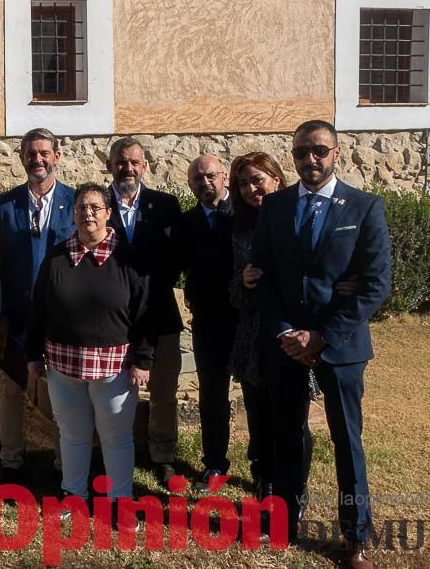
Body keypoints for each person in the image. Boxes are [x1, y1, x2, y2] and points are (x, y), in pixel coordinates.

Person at [253, 120, 392, 569]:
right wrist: (286, 333)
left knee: (346, 439)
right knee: (287, 434)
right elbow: (264, 277)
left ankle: (356, 535)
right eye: (301, 152)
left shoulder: (365, 207)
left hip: (342, 344)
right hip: (286, 343)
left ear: (338, 152)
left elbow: (375, 286)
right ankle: (285, 519)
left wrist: (322, 335)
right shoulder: (274, 207)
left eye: (318, 150)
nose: (309, 160)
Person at [25, 183, 150, 521]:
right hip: (63, 364)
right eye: (81, 207)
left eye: (95, 207)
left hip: (115, 366)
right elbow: (39, 308)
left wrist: (143, 359)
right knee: (73, 434)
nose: (88, 213)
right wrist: (34, 354)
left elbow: (145, 312)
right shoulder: (56, 256)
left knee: (116, 436)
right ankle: (73, 495)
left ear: (109, 213)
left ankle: (121, 502)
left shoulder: (129, 256)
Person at [0, 128, 75, 482]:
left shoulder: (76, 201)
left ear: (56, 156)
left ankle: (62, 462)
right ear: (21, 157)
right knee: (10, 391)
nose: (37, 159)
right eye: (30, 153)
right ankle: (11, 461)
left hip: (60, 318)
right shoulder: (4, 205)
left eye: (44, 153)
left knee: (60, 396)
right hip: (15, 315)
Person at [104, 137, 185, 484]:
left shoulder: (166, 205)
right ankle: (110, 451)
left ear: (145, 166)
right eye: (121, 162)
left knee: (164, 391)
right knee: (112, 393)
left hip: (160, 314)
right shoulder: (95, 203)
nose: (128, 168)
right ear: (110, 166)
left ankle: (163, 455)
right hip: (111, 319)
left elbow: (174, 260)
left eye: (135, 162)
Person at [227, 151, 294, 503]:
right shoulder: (239, 229)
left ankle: (292, 483)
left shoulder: (298, 217)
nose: (251, 188)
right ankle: (263, 478)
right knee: (258, 413)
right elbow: (231, 290)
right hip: (253, 335)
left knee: (291, 417)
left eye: (257, 180)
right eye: (243, 183)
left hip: (290, 333)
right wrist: (245, 281)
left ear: (276, 179)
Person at [178, 154, 237, 490]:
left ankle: (263, 469)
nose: (206, 183)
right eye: (198, 179)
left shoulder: (248, 214)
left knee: (260, 396)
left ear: (224, 176)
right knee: (212, 397)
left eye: (211, 175)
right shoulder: (187, 223)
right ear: (191, 184)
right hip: (208, 323)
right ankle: (215, 464)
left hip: (246, 320)